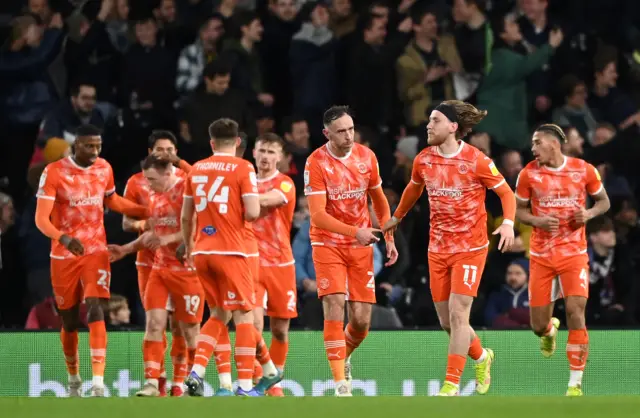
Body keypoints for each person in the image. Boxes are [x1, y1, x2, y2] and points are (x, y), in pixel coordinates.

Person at [383, 100, 516, 396]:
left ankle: (451, 384)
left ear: (453, 127)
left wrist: (507, 223)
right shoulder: (424, 160)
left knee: (459, 316)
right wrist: (396, 217)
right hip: (438, 248)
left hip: (470, 247)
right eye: (429, 120)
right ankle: (482, 356)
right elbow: (413, 188)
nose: (429, 125)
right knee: (447, 321)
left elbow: (505, 192)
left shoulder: (476, 160)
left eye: (435, 120)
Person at [34, 124, 148, 397]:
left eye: (98, 146)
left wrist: (149, 209)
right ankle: (73, 378)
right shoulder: (54, 172)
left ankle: (97, 382)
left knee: (96, 307)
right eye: (89, 146)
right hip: (64, 254)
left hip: (96, 250)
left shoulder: (104, 168)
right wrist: (63, 239)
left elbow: (113, 202)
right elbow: (40, 219)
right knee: (70, 321)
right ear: (76, 146)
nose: (95, 151)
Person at [182, 118, 281, 397]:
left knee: (216, 315)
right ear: (237, 142)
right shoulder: (243, 167)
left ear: (211, 143)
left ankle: (197, 371)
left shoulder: (197, 169)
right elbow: (251, 212)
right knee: (244, 318)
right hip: (233, 251)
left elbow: (186, 216)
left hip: (202, 251)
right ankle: (245, 386)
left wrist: (190, 248)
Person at [304, 105, 397, 397]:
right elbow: (317, 215)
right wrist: (354, 231)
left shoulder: (366, 157)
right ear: (326, 133)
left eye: (351, 129)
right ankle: (340, 384)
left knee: (360, 321)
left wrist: (389, 235)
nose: (348, 136)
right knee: (334, 305)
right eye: (341, 131)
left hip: (360, 245)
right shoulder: (315, 162)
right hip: (328, 242)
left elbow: (379, 199)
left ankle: (343, 355)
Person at [515, 123, 610, 396]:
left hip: (574, 254)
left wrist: (589, 215)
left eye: (537, 143)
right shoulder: (528, 174)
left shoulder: (584, 169)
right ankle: (548, 332)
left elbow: (603, 202)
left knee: (575, 312)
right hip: (542, 257)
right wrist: (538, 221)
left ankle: (575, 383)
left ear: (554, 143)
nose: (532, 149)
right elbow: (519, 211)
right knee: (537, 326)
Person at [110, 155, 205, 397]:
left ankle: (194, 382)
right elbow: (152, 236)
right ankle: (152, 382)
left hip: (188, 272)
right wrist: (124, 250)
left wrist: (169, 239)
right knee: (153, 325)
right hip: (160, 271)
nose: (148, 185)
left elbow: (198, 229)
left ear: (167, 172)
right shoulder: (154, 197)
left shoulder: (187, 190)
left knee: (189, 332)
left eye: (152, 179)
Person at [122, 130, 189, 396]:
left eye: (170, 151)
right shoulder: (137, 183)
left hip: (181, 263)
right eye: (160, 150)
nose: (166, 155)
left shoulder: (185, 181)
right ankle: (156, 380)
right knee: (156, 321)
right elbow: (126, 222)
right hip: (148, 262)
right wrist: (142, 225)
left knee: (180, 325)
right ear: (150, 152)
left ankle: (178, 382)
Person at [251, 133, 297, 397]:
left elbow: (270, 200)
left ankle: (275, 378)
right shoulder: (244, 183)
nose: (266, 156)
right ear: (254, 154)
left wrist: (237, 200)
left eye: (271, 152)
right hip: (251, 263)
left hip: (281, 263)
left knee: (279, 329)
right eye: (262, 151)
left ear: (280, 157)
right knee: (254, 326)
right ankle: (259, 377)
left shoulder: (286, 184)